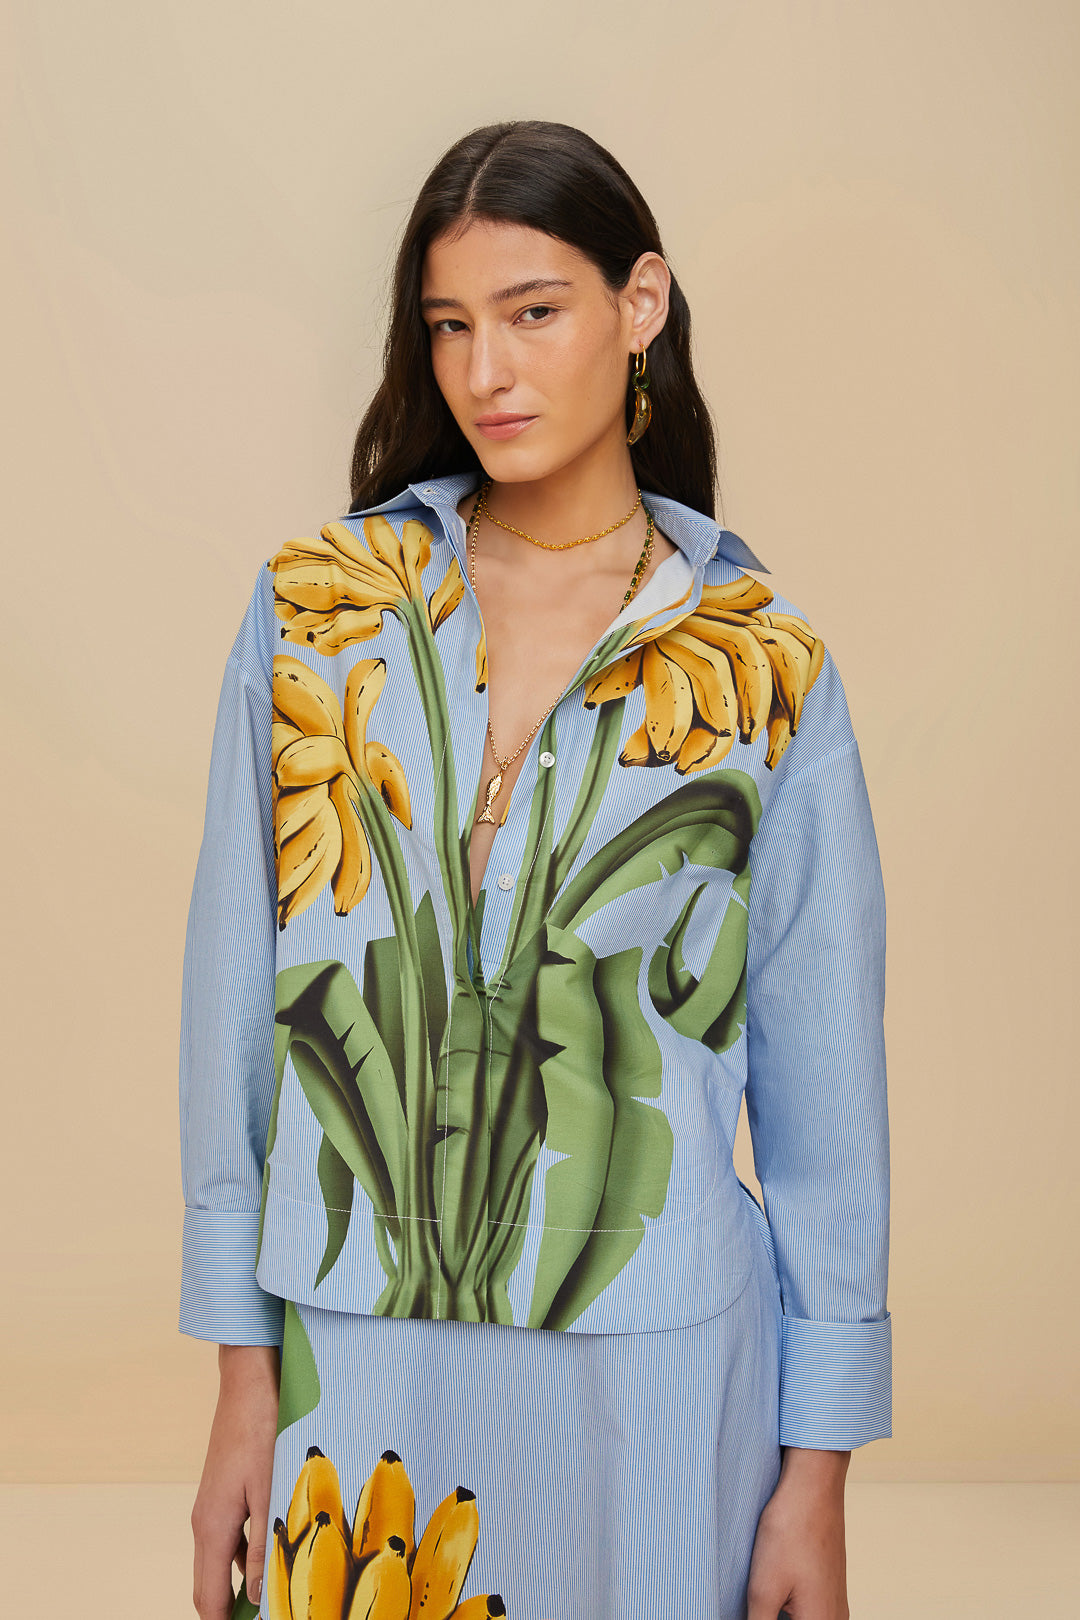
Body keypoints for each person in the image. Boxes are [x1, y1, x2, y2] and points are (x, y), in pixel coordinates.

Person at [180, 119, 890, 1620]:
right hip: (354, 1348)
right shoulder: (320, 611)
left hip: (655, 1369)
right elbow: (238, 1012)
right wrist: (244, 1376)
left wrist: (816, 1473)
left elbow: (826, 1110)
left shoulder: (762, 666)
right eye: (450, 327)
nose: (486, 371)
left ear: (642, 304)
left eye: (533, 312)